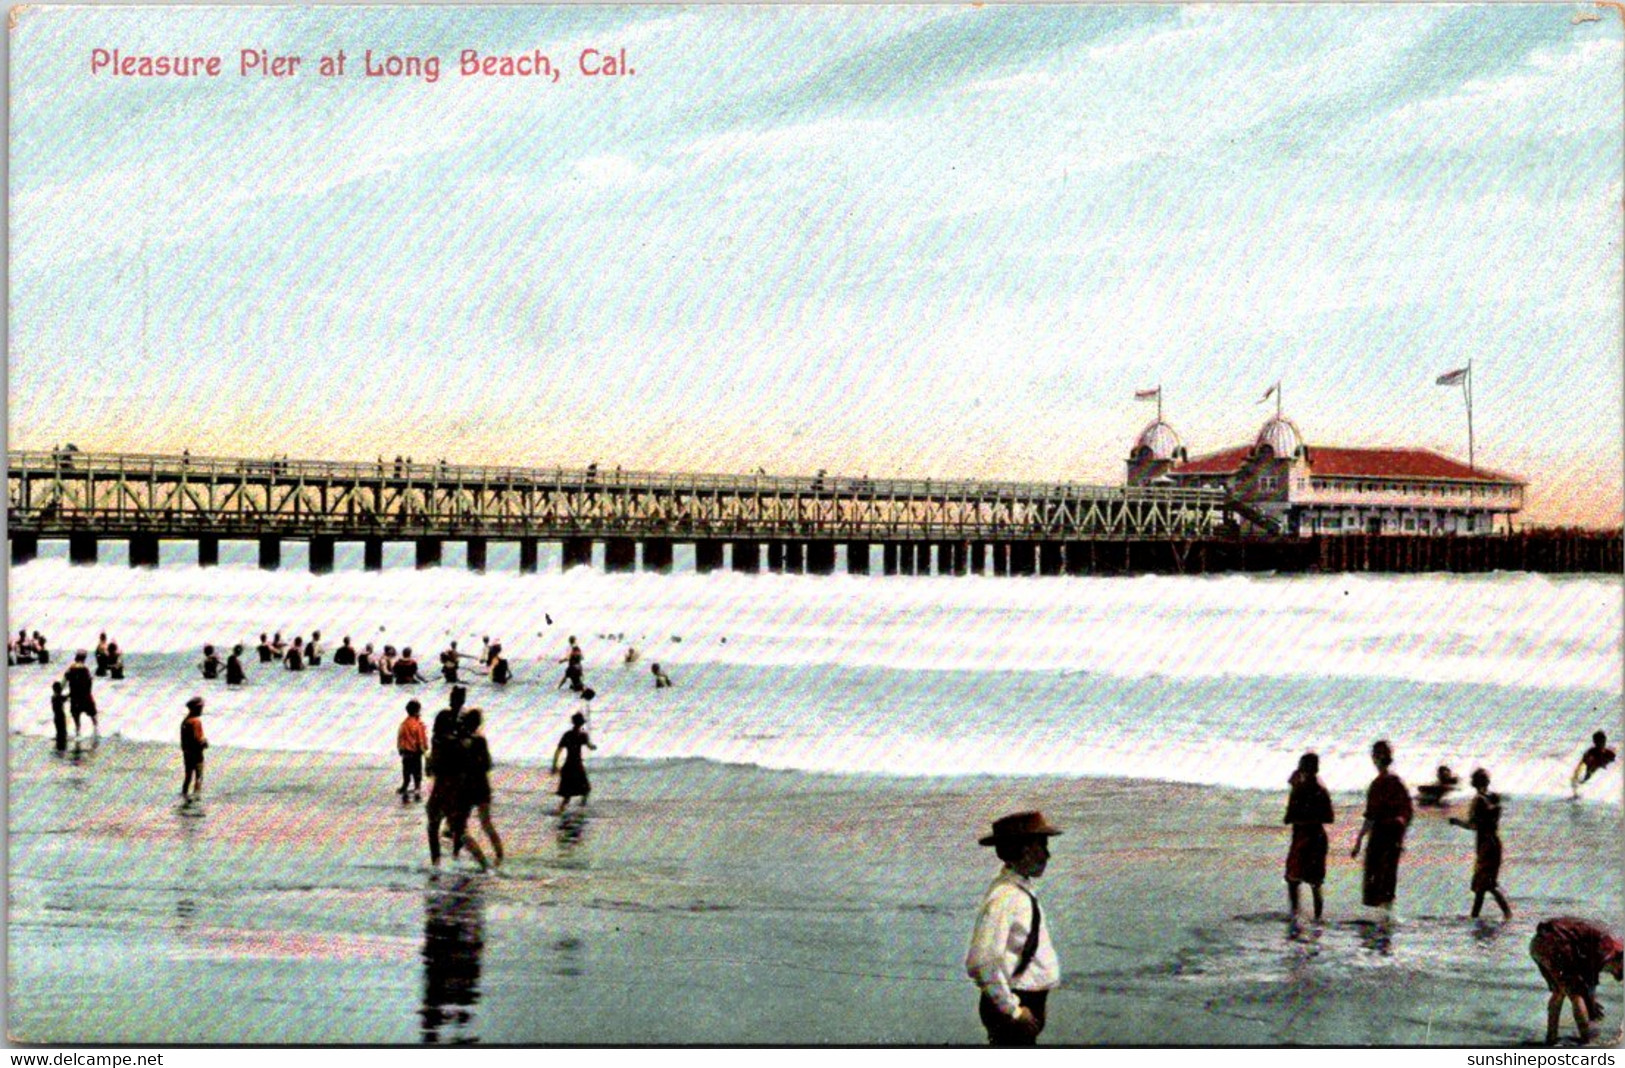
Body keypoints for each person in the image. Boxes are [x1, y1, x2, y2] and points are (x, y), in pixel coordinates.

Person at [965, 811, 1062, 1046]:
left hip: (1023, 1002)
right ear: (1025, 850)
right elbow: (982, 961)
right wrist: (1014, 1011)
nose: (1048, 855)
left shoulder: (1017, 890)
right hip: (1016, 1005)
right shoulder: (1005, 897)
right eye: (1042, 846)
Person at [1530, 917, 1623, 1045]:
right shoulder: (1608, 949)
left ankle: (1551, 1038)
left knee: (1559, 991)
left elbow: (1587, 977)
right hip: (1555, 945)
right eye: (1617, 971)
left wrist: (1591, 1001)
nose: (1612, 973)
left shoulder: (1603, 941)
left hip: (1537, 943)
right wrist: (1591, 1006)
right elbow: (1589, 983)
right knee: (1576, 994)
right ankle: (1586, 1041)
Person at [1351, 739, 1413, 909]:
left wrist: (1358, 841)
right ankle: (1388, 917)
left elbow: (1370, 817)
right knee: (1388, 879)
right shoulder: (1397, 782)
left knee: (1374, 878)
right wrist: (1402, 834)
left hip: (1379, 836)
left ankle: (1381, 921)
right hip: (1394, 836)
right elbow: (1407, 811)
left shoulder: (1377, 784)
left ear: (1376, 758)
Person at [1450, 768, 1513, 920]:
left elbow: (1473, 825)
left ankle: (1507, 914)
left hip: (1485, 844)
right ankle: (1476, 916)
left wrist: (1456, 822)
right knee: (1484, 884)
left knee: (1486, 884)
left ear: (1474, 783)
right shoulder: (1492, 798)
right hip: (1494, 842)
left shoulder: (1479, 800)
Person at [1284, 752, 1334, 921]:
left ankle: (1295, 914)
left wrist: (1293, 788)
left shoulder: (1299, 790)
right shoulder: (1322, 790)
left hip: (1302, 837)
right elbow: (1329, 817)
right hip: (1318, 836)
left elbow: (1288, 817)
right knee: (1316, 883)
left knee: (1293, 879)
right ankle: (1318, 917)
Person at [453, 708, 503, 867]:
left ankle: (481, 862)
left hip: (466, 788)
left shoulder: (459, 741)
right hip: (482, 785)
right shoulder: (481, 741)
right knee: (486, 823)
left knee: (459, 826)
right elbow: (488, 765)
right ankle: (499, 855)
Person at [551, 712, 597, 814]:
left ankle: (561, 811)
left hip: (568, 766)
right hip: (577, 766)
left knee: (567, 795)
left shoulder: (568, 735)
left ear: (573, 723)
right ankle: (581, 810)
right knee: (586, 790)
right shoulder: (583, 735)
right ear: (581, 724)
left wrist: (554, 765)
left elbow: (558, 750)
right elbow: (590, 746)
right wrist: (594, 747)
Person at [397, 700, 428, 800]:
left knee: (406, 770)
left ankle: (405, 785)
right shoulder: (417, 724)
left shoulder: (404, 724)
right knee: (417, 771)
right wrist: (424, 748)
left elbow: (400, 737)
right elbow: (420, 738)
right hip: (415, 752)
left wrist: (400, 749)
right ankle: (417, 787)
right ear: (417, 711)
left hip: (406, 751)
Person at [180, 696, 208, 800]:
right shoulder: (196, 721)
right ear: (197, 708)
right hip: (196, 754)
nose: (202, 710)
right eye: (201, 707)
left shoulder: (186, 721)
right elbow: (197, 739)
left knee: (188, 777)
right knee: (199, 777)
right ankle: (197, 797)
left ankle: (184, 794)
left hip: (187, 753)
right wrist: (204, 742)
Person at [1572, 732, 1616, 798]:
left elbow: (1613, 763)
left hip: (1601, 773)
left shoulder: (1610, 753)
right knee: (1584, 777)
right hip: (1590, 772)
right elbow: (1582, 765)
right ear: (1594, 742)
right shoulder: (1591, 752)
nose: (1601, 743)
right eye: (1599, 742)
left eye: (1603, 741)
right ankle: (1579, 790)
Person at [63, 651, 97, 737]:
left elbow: (64, 682)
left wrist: (63, 694)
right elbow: (89, 683)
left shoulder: (70, 668)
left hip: (74, 697)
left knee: (76, 719)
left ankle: (78, 733)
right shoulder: (85, 668)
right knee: (93, 716)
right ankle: (96, 733)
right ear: (84, 659)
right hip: (85, 696)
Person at [50, 681, 68, 752]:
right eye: (60, 688)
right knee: (62, 733)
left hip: (56, 717)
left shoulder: (54, 696)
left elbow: (63, 697)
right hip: (60, 717)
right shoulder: (57, 697)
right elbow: (64, 698)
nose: (61, 689)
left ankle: (59, 747)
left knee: (60, 733)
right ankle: (60, 749)